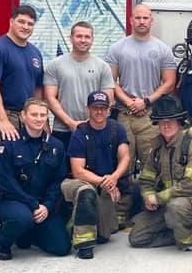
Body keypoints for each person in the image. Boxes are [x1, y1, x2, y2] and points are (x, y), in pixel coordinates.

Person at [0, 5, 45, 250]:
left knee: (24, 171)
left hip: (25, 117)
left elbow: (37, 90)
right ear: (11, 22)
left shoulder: (35, 53)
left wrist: (40, 118)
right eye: (22, 22)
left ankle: (15, 226)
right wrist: (3, 120)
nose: (26, 27)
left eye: (30, 23)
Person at [104, 4, 177, 228]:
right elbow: (110, 81)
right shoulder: (117, 48)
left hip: (151, 117)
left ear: (152, 21)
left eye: (146, 18)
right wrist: (129, 102)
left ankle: (151, 213)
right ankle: (120, 214)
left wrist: (146, 101)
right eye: (138, 18)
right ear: (131, 20)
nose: (142, 21)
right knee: (122, 164)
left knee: (151, 164)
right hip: (125, 115)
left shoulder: (162, 49)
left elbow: (169, 82)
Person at [129, 95, 192, 251]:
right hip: (167, 203)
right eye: (162, 121)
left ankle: (189, 238)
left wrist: (158, 198)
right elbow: (146, 180)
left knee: (176, 207)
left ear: (180, 122)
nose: (166, 125)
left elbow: (191, 185)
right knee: (137, 238)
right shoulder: (156, 150)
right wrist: (148, 196)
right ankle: (179, 230)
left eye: (171, 121)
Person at [0, 99, 70, 260]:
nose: (39, 119)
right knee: (23, 218)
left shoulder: (56, 146)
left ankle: (26, 235)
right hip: (13, 201)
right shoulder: (10, 143)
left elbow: (57, 181)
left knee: (62, 247)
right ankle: (2, 242)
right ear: (23, 116)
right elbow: (6, 183)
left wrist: (47, 206)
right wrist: (32, 204)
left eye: (42, 115)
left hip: (42, 205)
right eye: (34, 115)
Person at [61, 91, 132, 259]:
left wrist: (114, 178)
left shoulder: (117, 129)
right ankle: (84, 244)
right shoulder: (80, 133)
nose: (99, 111)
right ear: (88, 109)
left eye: (103, 108)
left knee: (105, 234)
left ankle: (75, 222)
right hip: (79, 182)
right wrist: (105, 182)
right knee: (87, 193)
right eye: (95, 108)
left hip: (105, 184)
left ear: (109, 110)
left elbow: (125, 157)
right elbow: (78, 171)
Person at [44, 21, 115, 151]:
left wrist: (91, 123)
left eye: (87, 37)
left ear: (92, 40)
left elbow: (108, 100)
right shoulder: (55, 65)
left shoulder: (102, 67)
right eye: (79, 36)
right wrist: (70, 123)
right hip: (63, 130)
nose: (83, 40)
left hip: (95, 130)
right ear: (71, 38)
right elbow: (49, 98)